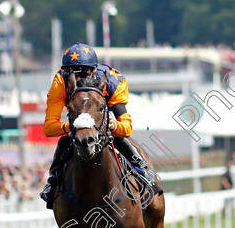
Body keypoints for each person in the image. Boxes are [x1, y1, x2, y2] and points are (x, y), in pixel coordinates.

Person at [39, 42, 156, 209]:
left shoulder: (114, 81)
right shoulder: (60, 82)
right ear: (66, 72)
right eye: (73, 73)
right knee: (65, 140)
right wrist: (71, 127)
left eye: (84, 73)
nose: (78, 79)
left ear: (94, 71)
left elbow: (127, 128)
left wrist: (111, 125)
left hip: (103, 121)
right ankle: (53, 181)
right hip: (76, 121)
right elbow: (49, 128)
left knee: (118, 137)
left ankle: (140, 168)